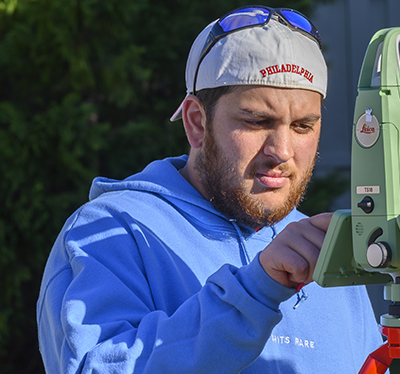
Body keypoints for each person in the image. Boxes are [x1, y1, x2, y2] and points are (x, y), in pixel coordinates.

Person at [36, 6, 381, 373]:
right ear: (197, 123)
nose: (281, 151)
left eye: (302, 126)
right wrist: (255, 291)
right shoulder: (110, 233)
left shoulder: (322, 248)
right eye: (257, 121)